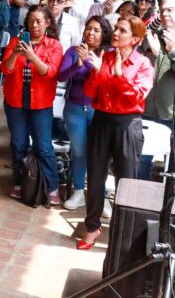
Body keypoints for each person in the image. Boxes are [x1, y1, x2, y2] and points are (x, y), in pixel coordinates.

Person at [78, 16, 154, 250]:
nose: (116, 33)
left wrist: (118, 75)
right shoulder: (105, 57)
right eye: (116, 28)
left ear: (136, 39)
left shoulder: (143, 64)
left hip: (127, 124)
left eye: (123, 30)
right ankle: (92, 227)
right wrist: (95, 70)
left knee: (126, 181)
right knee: (95, 177)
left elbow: (136, 96)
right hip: (101, 120)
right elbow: (89, 91)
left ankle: (122, 232)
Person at [1, 5, 64, 205]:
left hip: (41, 103)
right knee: (18, 143)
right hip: (15, 101)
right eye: (31, 21)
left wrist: (32, 57)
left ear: (47, 23)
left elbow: (50, 73)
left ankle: (52, 186)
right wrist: (15, 54)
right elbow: (6, 69)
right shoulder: (16, 41)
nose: (34, 25)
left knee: (43, 146)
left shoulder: (54, 45)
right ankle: (20, 182)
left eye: (39, 21)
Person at [57, 16, 113, 211]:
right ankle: (78, 192)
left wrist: (87, 62)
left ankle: (101, 196)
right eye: (89, 28)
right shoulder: (74, 51)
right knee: (79, 151)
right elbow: (61, 76)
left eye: (96, 30)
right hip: (75, 108)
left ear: (104, 33)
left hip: (99, 109)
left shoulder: (109, 54)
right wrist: (77, 64)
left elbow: (105, 78)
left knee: (100, 153)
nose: (91, 33)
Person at [139, 0, 175, 179]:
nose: (165, 13)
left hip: (170, 111)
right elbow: (138, 54)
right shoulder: (155, 35)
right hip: (148, 107)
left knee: (172, 165)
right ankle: (137, 195)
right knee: (142, 159)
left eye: (170, 10)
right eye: (163, 10)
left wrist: (170, 52)